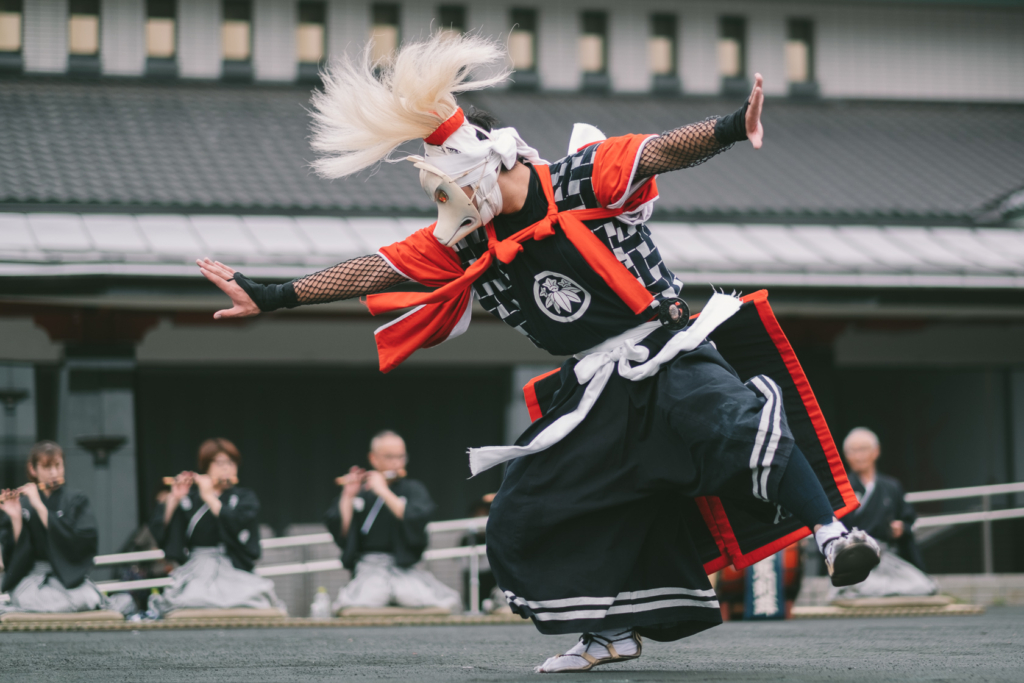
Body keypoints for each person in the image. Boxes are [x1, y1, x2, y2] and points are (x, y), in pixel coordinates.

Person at [195, 33, 880, 672]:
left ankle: (832, 536)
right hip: (593, 390)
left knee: (727, 421)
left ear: (487, 169)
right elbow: (377, 269)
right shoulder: (469, 236)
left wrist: (732, 127)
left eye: (452, 191)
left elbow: (660, 151)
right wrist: (274, 293)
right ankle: (609, 631)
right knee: (526, 509)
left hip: (665, 350)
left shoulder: (579, 178)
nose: (449, 211)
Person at [325, 430, 461, 613]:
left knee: (431, 600)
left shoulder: (413, 488)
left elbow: (416, 518)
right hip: (369, 567)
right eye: (389, 457)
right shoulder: (361, 491)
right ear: (373, 458)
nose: (397, 462)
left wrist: (383, 491)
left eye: (401, 456)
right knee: (365, 599)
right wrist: (347, 497)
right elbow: (342, 530)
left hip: (404, 567)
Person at [147, 437, 281, 617]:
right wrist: (174, 499)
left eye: (231, 462)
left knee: (254, 598)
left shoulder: (244, 497)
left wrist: (209, 496)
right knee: (192, 599)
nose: (227, 468)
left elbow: (237, 525)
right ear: (206, 467)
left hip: (232, 566)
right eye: (219, 463)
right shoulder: (190, 499)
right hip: (197, 567)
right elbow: (163, 532)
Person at [0, 441, 133, 617]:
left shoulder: (76, 499)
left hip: (66, 576)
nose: (53, 473)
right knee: (25, 598)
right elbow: (17, 553)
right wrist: (16, 517)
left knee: (87, 598)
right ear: (33, 469)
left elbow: (81, 539)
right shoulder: (23, 503)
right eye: (47, 467)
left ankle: (30, 611)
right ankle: (32, 607)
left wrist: (40, 507)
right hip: (33, 577)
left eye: (57, 465)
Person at [831, 427, 936, 599]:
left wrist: (901, 528)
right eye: (853, 450)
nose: (859, 455)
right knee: (852, 588)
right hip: (854, 559)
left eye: (863, 449)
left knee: (922, 586)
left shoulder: (891, 486)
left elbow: (908, 519)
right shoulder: (840, 488)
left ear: (876, 451)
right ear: (846, 455)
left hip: (886, 557)